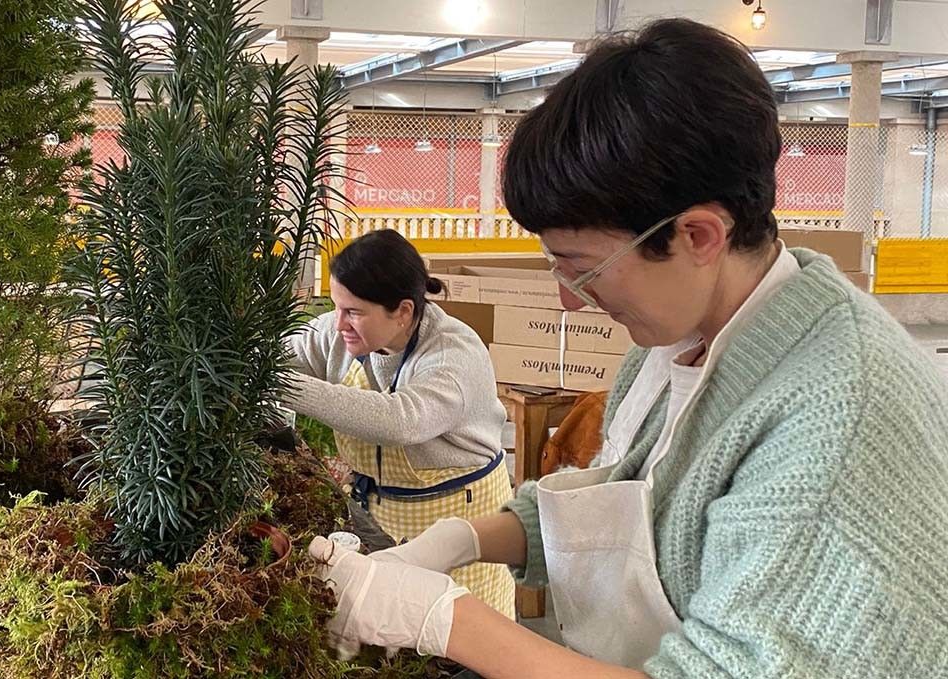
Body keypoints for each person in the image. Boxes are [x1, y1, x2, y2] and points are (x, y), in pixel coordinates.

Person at [308, 18, 948, 678]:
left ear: (698, 236)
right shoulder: (676, 340)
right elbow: (622, 498)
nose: (568, 299)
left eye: (580, 267)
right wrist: (458, 539)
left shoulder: (837, 423)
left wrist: (448, 619)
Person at [284, 228, 516, 619]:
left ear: (403, 311)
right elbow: (272, 359)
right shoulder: (337, 333)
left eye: (354, 312)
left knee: (458, 639)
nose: (338, 323)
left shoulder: (453, 354)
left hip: (459, 529)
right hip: (377, 514)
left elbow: (400, 419)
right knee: (390, 631)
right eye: (336, 305)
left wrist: (284, 385)